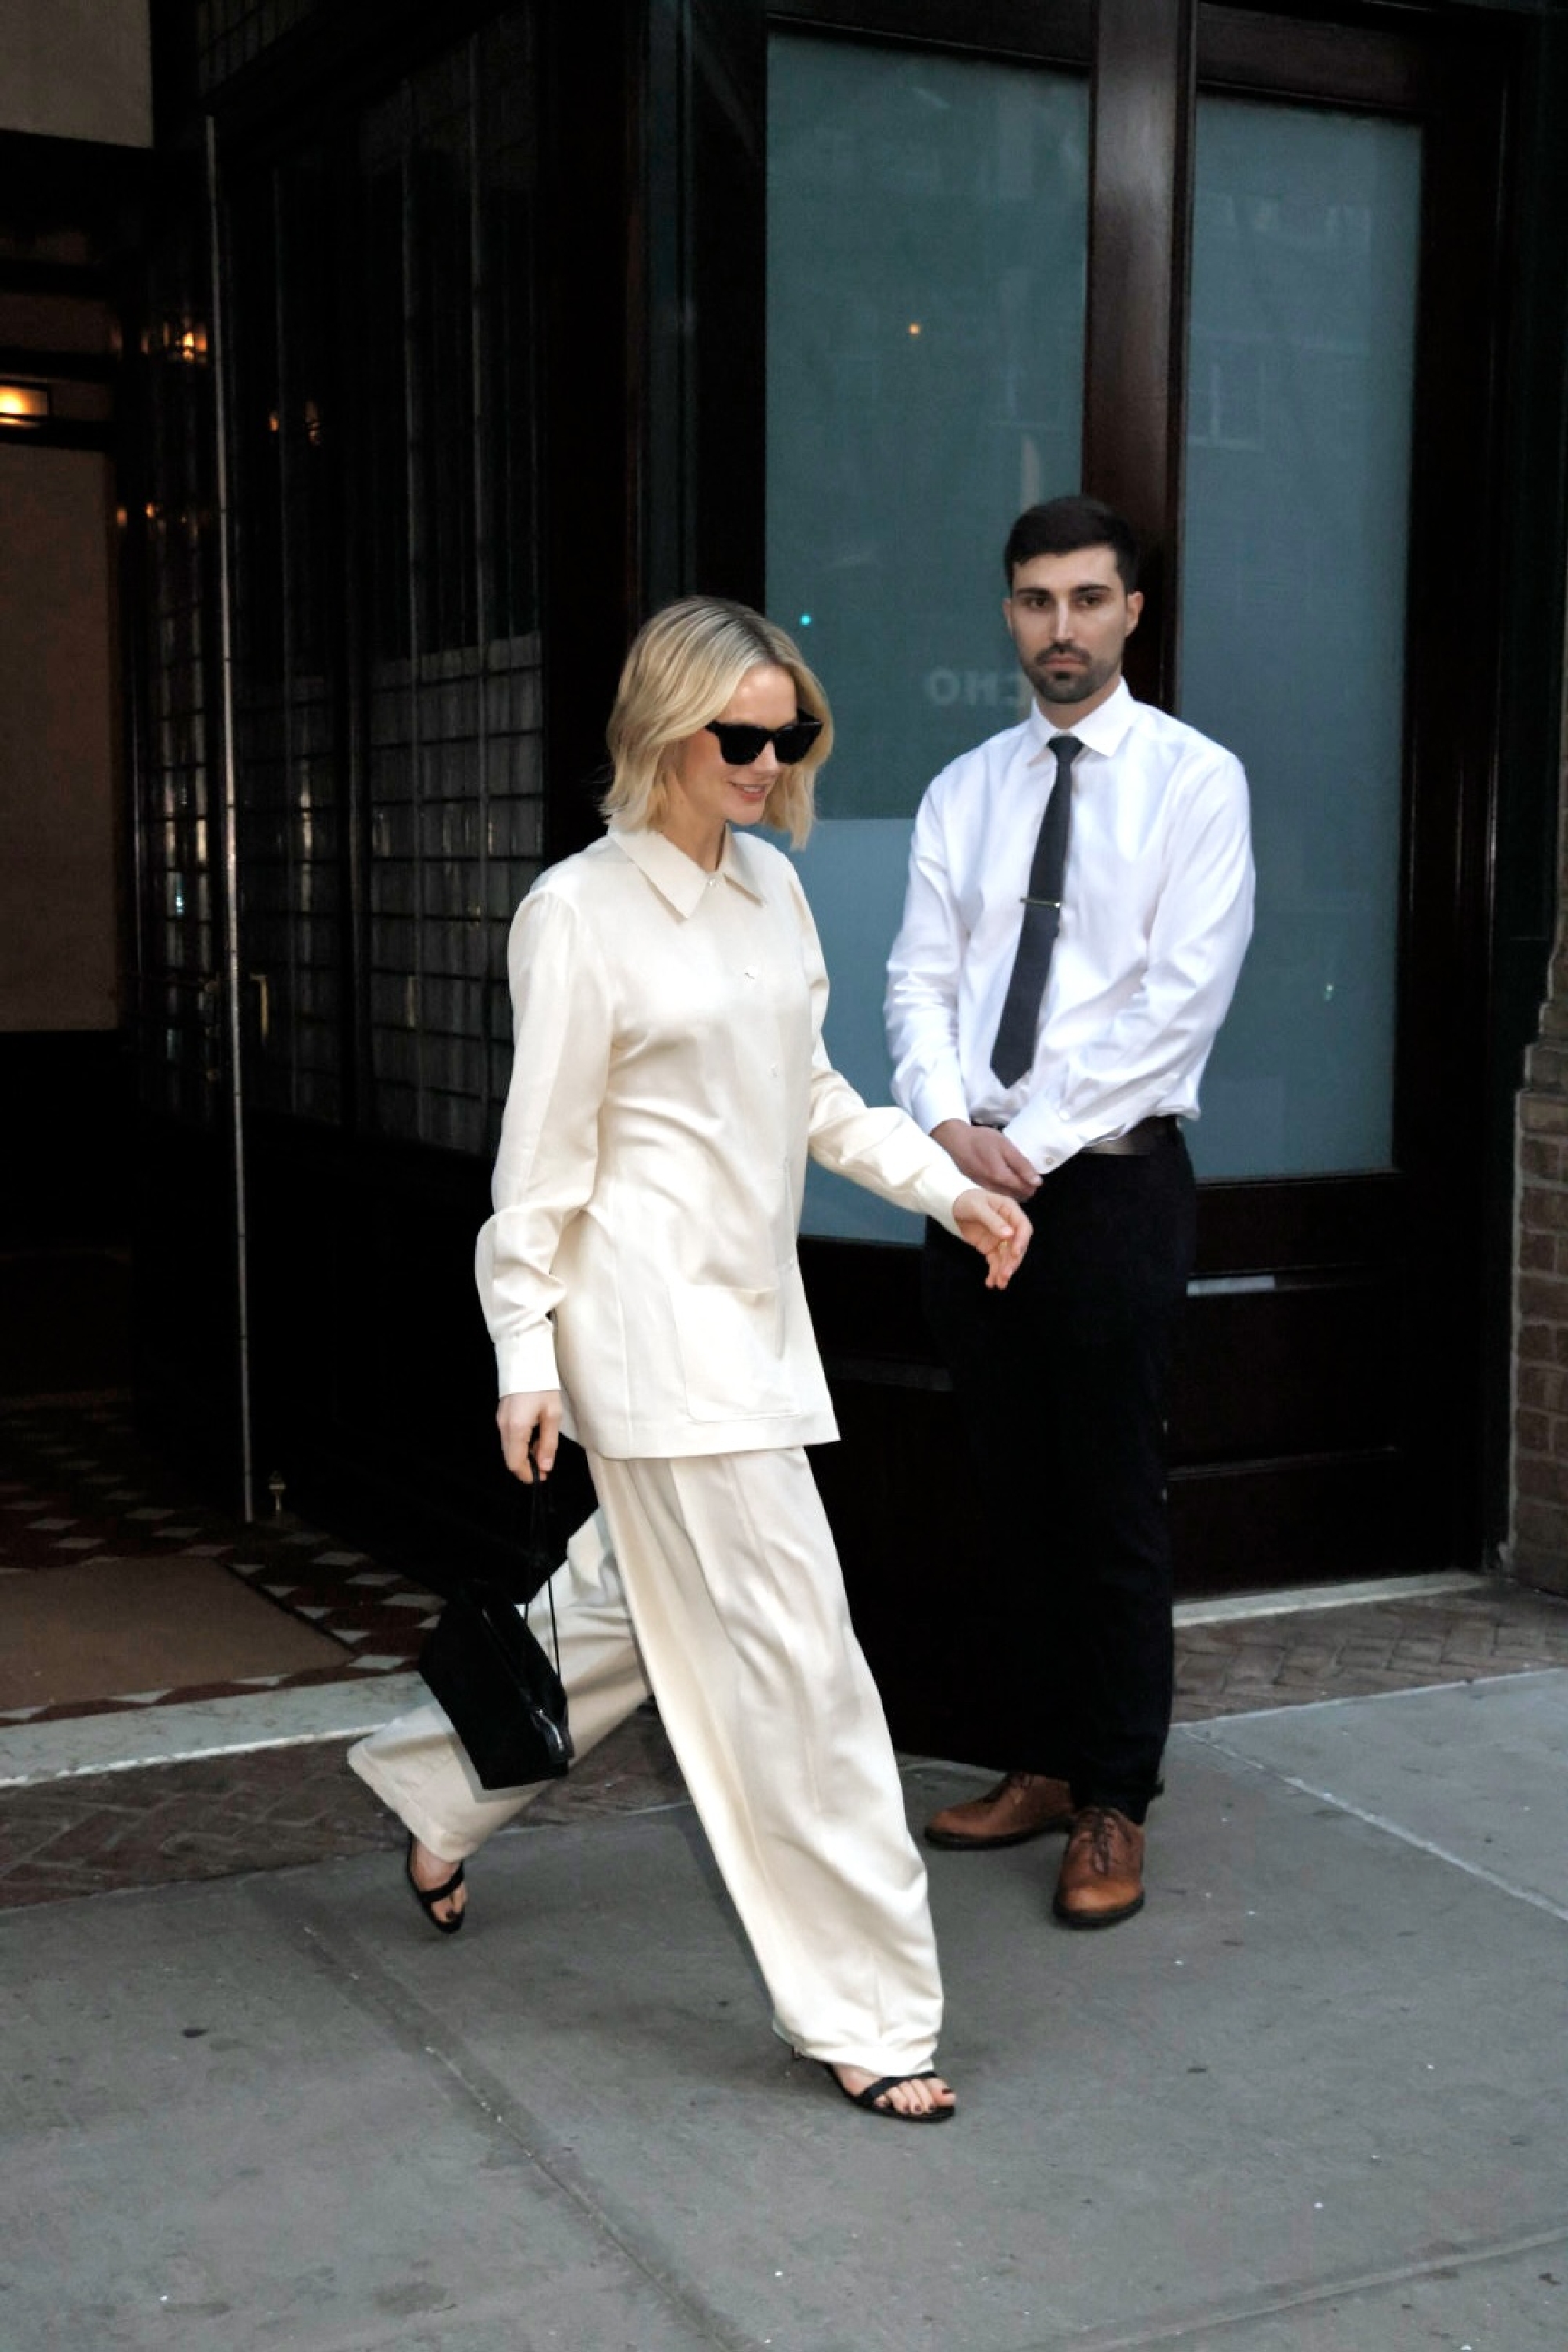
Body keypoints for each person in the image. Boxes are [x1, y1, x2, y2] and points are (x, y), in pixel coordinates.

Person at [350, 595, 1031, 2125]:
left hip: (748, 1327)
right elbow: (539, 1165)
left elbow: (817, 1099)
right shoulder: (577, 913)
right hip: (647, 1339)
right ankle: (864, 2009)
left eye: (790, 732)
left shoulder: (774, 896)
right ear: (661, 725)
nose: (767, 756)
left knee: (624, 1607)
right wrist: (525, 1349)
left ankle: (432, 1790)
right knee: (799, 1671)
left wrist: (946, 1183)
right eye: (740, 730)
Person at [885, 495, 1254, 1929]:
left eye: (1088, 600)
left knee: (1108, 1499)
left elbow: (1175, 1009)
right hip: (967, 1191)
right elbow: (919, 979)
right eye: (1036, 601)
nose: (1061, 628)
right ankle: (1037, 1763)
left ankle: (1116, 1798)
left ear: (1132, 612)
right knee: (1009, 1491)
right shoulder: (962, 791)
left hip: (1106, 1190)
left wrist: (1014, 1145)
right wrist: (941, 1131)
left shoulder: (1195, 784)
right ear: (1008, 612)